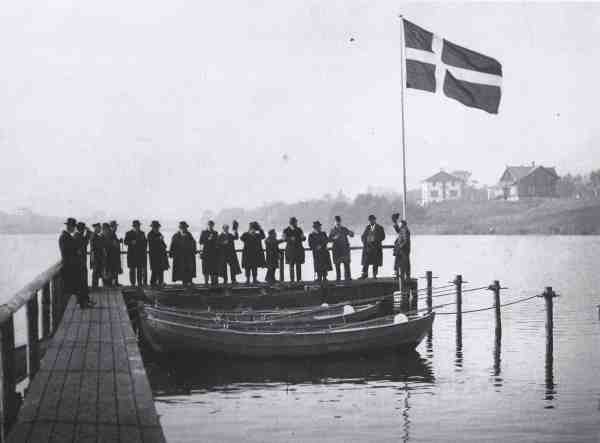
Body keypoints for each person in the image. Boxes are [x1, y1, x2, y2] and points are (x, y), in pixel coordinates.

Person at [59, 218, 93, 309]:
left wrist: (76, 250)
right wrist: (76, 251)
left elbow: (76, 247)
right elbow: (71, 250)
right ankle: (83, 303)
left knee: (79, 285)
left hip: (74, 264)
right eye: (73, 227)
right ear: (69, 226)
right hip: (71, 265)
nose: (74, 229)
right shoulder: (65, 237)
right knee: (78, 285)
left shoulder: (68, 236)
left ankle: (83, 302)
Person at [169, 221, 197, 286]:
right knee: (181, 269)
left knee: (189, 269)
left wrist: (194, 250)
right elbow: (172, 245)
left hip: (188, 256)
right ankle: (184, 283)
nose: (184, 229)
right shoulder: (176, 235)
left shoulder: (189, 234)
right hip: (180, 256)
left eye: (185, 227)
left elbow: (193, 242)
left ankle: (189, 281)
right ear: (180, 228)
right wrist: (171, 253)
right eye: (182, 227)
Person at [328, 215, 354, 281]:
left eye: (339, 221)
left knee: (347, 265)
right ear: (334, 222)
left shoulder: (344, 229)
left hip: (345, 250)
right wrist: (334, 238)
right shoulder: (332, 230)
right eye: (337, 221)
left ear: (340, 222)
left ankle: (348, 278)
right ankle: (338, 279)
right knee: (337, 266)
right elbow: (329, 240)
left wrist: (351, 233)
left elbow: (351, 235)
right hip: (337, 251)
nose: (338, 223)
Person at [360, 214, 385, 279]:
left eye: (372, 220)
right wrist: (365, 241)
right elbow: (363, 236)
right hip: (368, 248)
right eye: (370, 220)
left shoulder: (380, 227)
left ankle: (374, 275)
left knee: (375, 262)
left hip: (376, 248)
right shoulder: (367, 227)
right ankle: (364, 274)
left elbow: (383, 237)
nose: (370, 222)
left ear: (374, 220)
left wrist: (375, 239)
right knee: (366, 262)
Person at [124, 220, 147, 287]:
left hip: (140, 255)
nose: (137, 227)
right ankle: (133, 283)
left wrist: (142, 244)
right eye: (136, 226)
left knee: (139, 270)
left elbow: (145, 243)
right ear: (133, 226)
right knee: (132, 270)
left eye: (138, 226)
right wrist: (131, 242)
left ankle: (140, 283)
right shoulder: (128, 233)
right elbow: (125, 242)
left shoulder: (142, 233)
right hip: (132, 255)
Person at [282, 217, 306, 282]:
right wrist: (290, 239)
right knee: (291, 266)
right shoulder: (286, 230)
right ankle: (292, 280)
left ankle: (298, 280)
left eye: (295, 222)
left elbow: (303, 238)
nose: (295, 223)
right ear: (292, 223)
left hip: (297, 250)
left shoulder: (299, 229)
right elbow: (283, 238)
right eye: (295, 222)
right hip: (291, 250)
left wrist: (302, 237)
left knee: (298, 266)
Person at [147, 220, 169, 287]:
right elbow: (152, 243)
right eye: (155, 227)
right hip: (154, 255)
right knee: (155, 269)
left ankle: (160, 282)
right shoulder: (150, 234)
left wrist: (161, 240)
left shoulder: (159, 234)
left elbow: (164, 245)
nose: (157, 228)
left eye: (157, 227)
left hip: (161, 255)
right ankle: (153, 283)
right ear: (153, 227)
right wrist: (159, 239)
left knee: (161, 269)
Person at [393, 214, 411, 288]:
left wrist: (400, 246)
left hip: (404, 250)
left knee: (405, 263)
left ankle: (406, 276)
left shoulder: (405, 230)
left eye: (400, 224)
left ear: (403, 224)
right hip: (401, 250)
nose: (400, 225)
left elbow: (406, 240)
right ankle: (398, 275)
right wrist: (395, 222)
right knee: (398, 262)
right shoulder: (402, 229)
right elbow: (397, 230)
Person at [199, 220, 220, 285]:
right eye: (209, 225)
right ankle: (206, 282)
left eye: (212, 225)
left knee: (214, 268)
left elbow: (217, 242)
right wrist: (208, 239)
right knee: (205, 268)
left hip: (214, 253)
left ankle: (213, 283)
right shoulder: (203, 232)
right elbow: (200, 242)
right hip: (205, 253)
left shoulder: (215, 232)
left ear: (213, 225)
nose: (210, 226)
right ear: (207, 225)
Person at [74, 221, 92, 288]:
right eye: (83, 229)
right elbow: (85, 242)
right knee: (82, 276)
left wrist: (88, 231)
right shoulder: (78, 236)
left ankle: (84, 288)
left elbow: (86, 240)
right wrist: (88, 230)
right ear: (82, 229)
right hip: (80, 260)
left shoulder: (78, 235)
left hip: (81, 259)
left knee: (83, 276)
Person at [90, 222, 106, 288]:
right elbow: (94, 247)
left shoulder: (96, 236)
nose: (100, 229)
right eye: (99, 227)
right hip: (96, 257)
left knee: (97, 272)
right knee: (95, 272)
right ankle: (94, 287)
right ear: (96, 228)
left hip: (98, 257)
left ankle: (95, 286)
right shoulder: (93, 236)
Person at [107, 220, 123, 286]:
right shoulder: (110, 234)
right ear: (112, 227)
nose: (116, 228)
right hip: (112, 255)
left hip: (115, 255)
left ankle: (115, 282)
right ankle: (113, 283)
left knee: (115, 269)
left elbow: (114, 242)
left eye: (116, 226)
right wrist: (118, 242)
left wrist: (119, 241)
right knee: (113, 269)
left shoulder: (113, 233)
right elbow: (113, 243)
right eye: (115, 226)